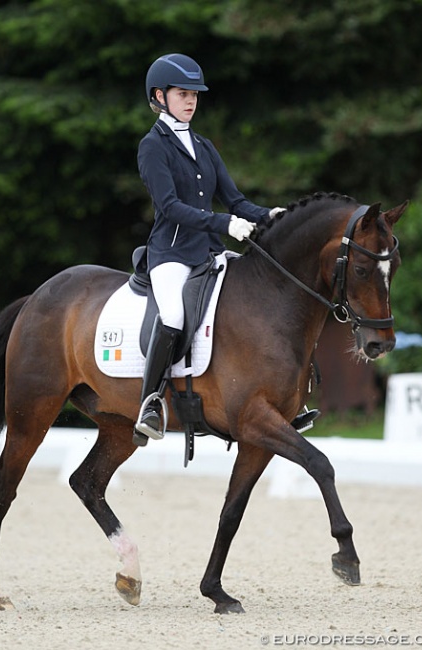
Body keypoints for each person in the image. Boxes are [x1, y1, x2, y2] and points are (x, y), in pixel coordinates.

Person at [133, 52, 286, 445]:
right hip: (171, 254)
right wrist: (223, 223)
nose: (191, 101)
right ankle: (150, 403)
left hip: (209, 252)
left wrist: (274, 216)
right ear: (159, 96)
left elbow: (237, 202)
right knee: (172, 317)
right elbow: (170, 207)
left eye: (195, 95)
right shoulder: (153, 146)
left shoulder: (203, 145)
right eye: (183, 94)